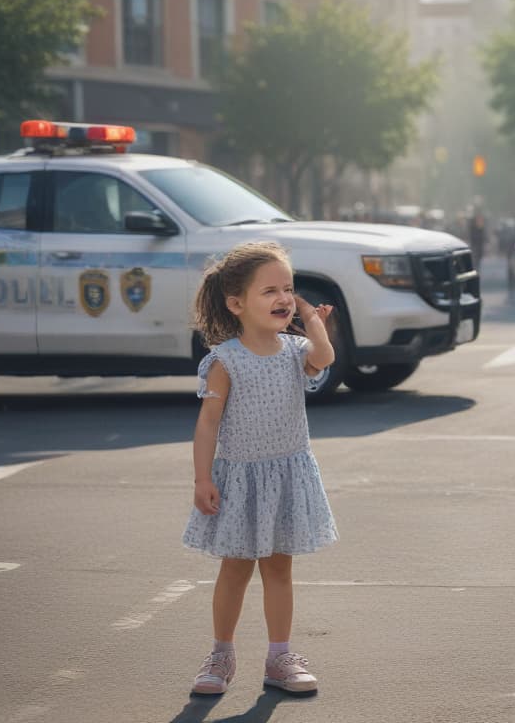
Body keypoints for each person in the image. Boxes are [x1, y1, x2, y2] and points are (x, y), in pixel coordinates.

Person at [182, 241, 339, 696]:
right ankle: (221, 654)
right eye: (269, 290)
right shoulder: (225, 360)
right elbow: (207, 424)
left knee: (279, 569)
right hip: (241, 480)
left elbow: (324, 358)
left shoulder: (295, 350)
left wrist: (312, 322)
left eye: (288, 289)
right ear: (236, 304)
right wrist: (202, 478)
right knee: (235, 569)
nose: (283, 299)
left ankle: (279, 656)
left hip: (286, 476)